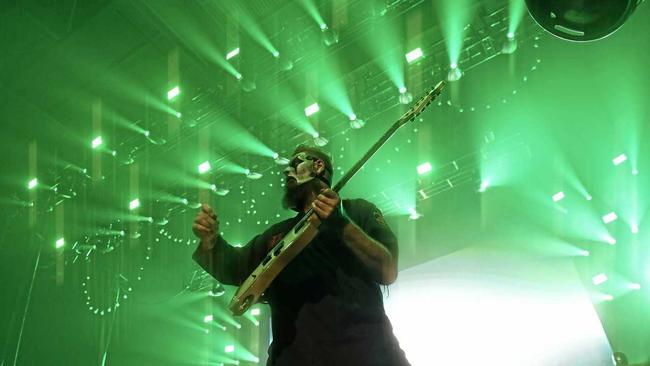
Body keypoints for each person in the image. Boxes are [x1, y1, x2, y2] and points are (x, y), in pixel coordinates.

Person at [192, 144, 410, 366]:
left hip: (364, 354)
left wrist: (342, 224)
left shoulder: (357, 211)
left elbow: (387, 270)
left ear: (318, 165)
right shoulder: (277, 236)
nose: (287, 172)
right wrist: (210, 241)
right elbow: (235, 269)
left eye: (295, 164)